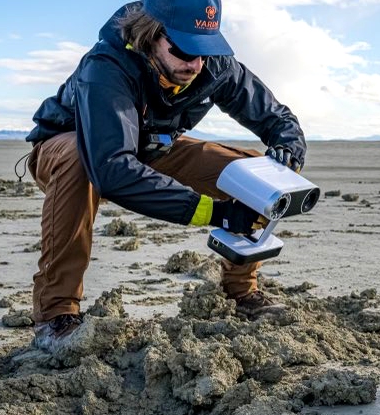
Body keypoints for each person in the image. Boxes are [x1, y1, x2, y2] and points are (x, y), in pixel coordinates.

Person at [23, 0, 306, 350]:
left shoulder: (213, 66)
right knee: (79, 162)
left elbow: (277, 118)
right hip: (76, 148)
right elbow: (110, 167)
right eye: (184, 49)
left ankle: (242, 292)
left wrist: (288, 151)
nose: (195, 63)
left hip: (154, 148)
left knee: (255, 174)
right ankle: (56, 314)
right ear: (152, 34)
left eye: (205, 50)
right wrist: (215, 212)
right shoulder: (106, 66)